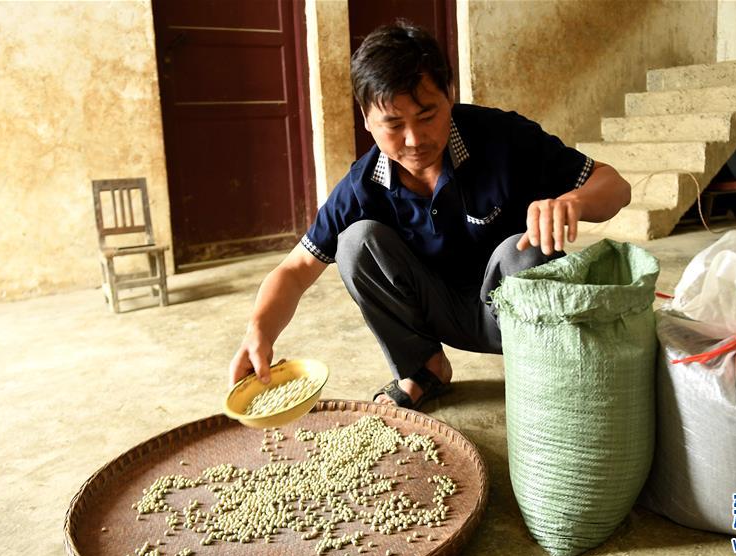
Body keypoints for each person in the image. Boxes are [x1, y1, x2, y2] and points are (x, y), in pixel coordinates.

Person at [229, 21, 630, 410]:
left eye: (427, 115)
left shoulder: (503, 137)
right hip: (437, 311)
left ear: (449, 96)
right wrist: (259, 330)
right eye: (393, 124)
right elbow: (296, 268)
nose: (415, 140)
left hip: (515, 313)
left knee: (522, 250)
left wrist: (573, 202)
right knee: (356, 242)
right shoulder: (362, 185)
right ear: (367, 120)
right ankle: (424, 369)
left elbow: (614, 186)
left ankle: (547, 377)